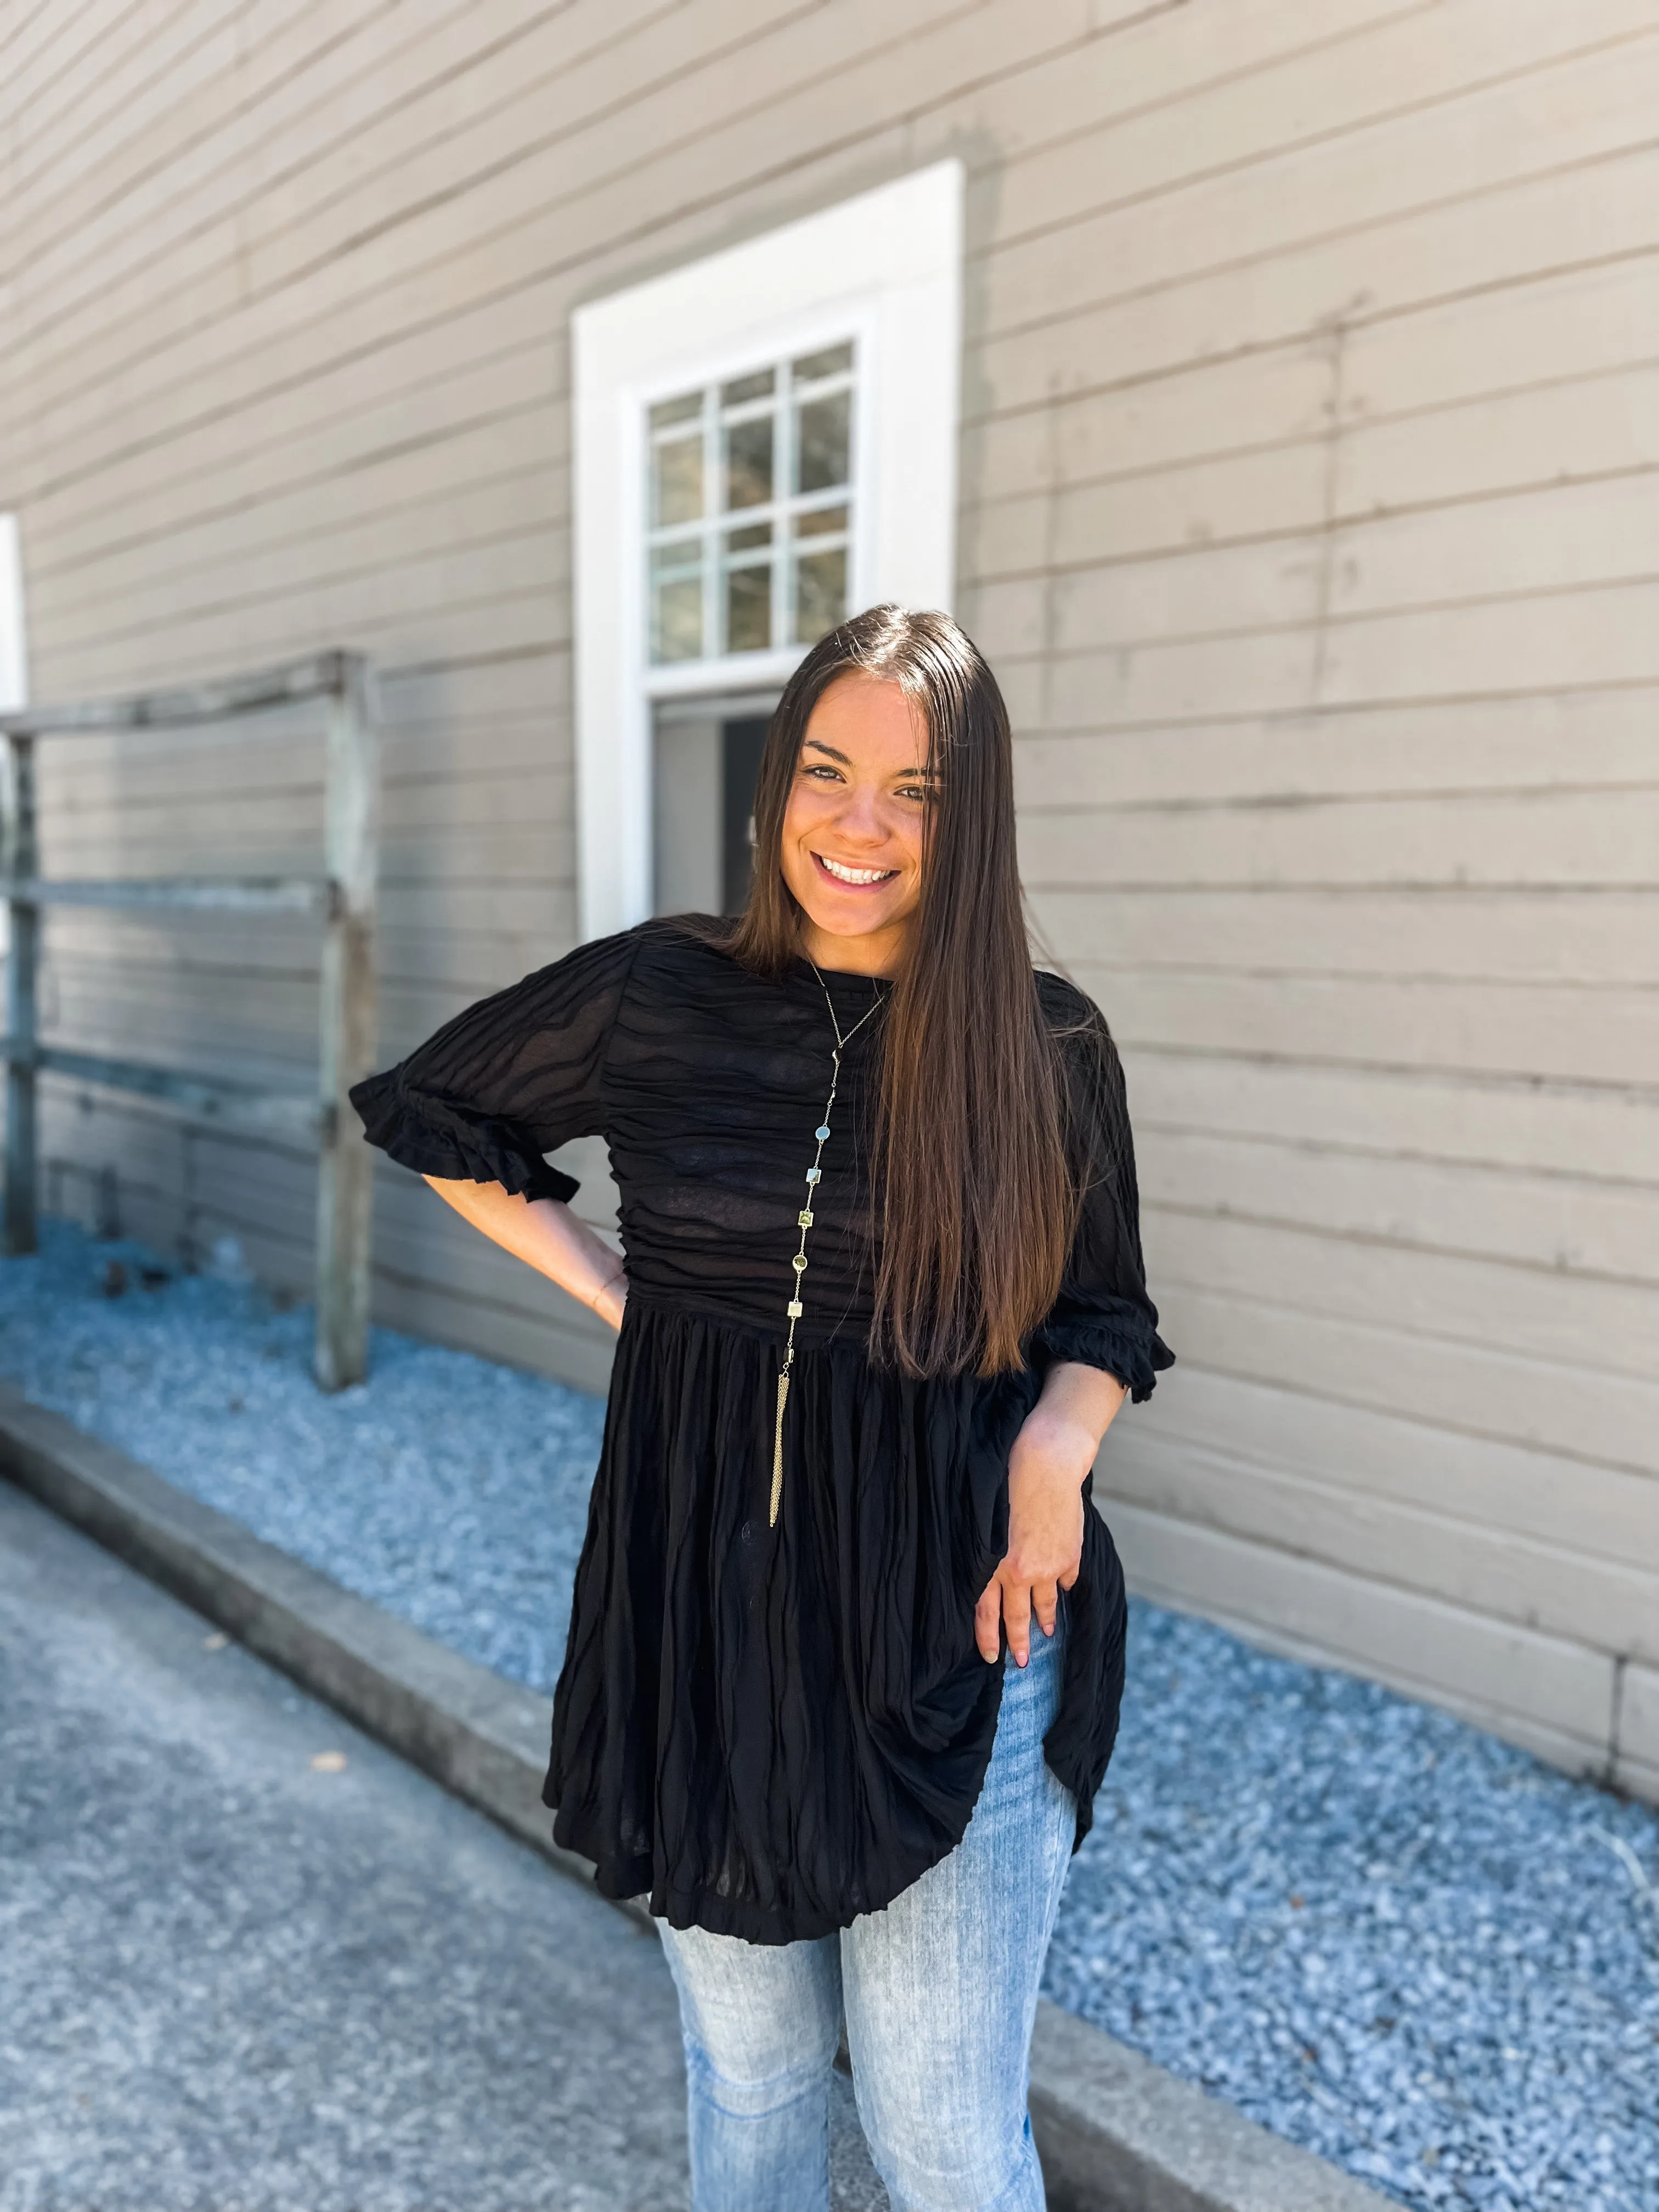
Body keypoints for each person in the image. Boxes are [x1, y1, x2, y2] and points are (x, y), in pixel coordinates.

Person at [350, 604, 1172, 2212]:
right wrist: (617, 1291)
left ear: (974, 815)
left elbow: (1107, 1314)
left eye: (916, 791)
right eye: (824, 771)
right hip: (705, 1616)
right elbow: (432, 1110)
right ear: (775, 783)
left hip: (961, 1616)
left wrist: (1061, 1451)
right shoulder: (658, 991)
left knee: (939, 2132)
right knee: (752, 2074)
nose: (856, 827)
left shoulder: (1048, 1047)